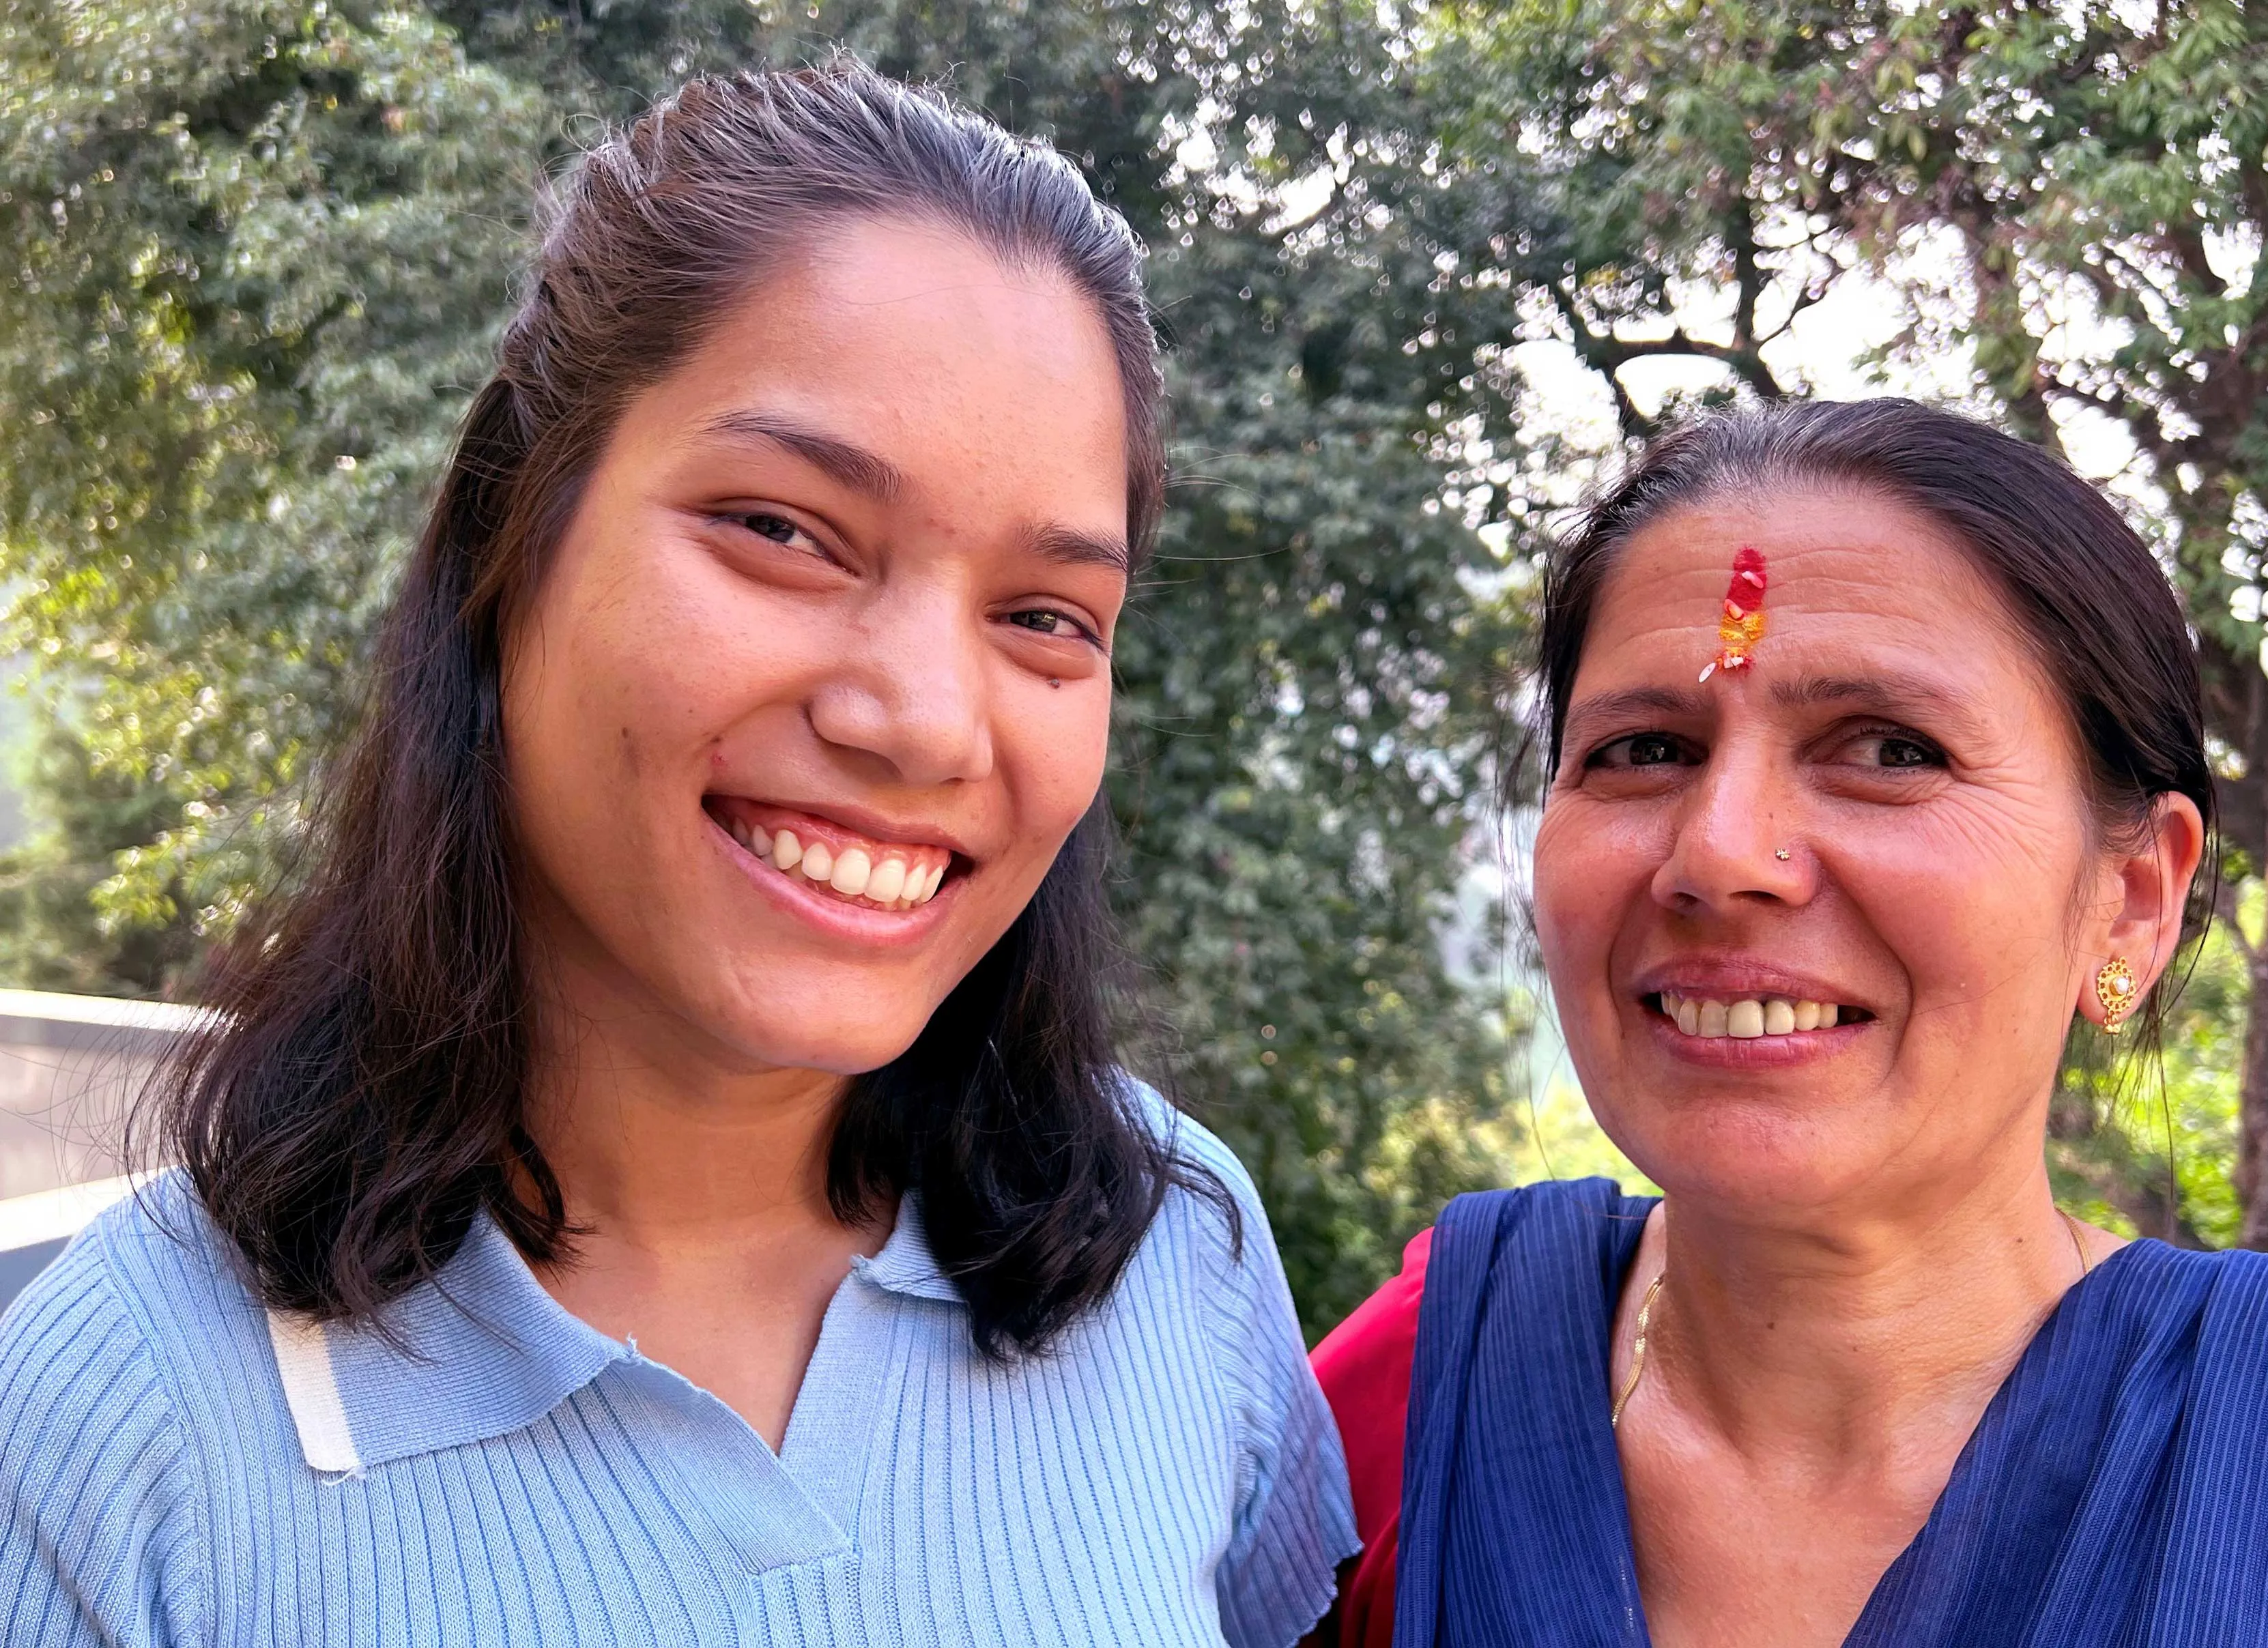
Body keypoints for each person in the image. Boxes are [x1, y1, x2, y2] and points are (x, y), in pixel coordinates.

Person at [0, 64, 1353, 1647]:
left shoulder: (1174, 1253)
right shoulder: (126, 1422)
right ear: (515, 539)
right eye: (783, 529)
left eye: (1046, 618)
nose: (923, 723)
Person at [1312, 399, 2268, 1648]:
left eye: (1887, 747)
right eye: (1643, 748)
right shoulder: (1428, 1383)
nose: (1718, 854)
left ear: (2131, 898)